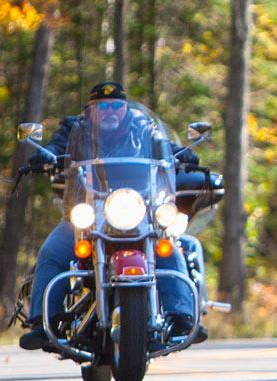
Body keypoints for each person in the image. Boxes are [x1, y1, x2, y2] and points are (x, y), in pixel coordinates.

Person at [18, 80, 199, 351]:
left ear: (125, 108)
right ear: (91, 110)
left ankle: (182, 316)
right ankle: (42, 323)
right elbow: (56, 147)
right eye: (102, 106)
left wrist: (181, 155)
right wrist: (47, 157)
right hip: (89, 211)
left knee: (168, 249)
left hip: (138, 212)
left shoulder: (143, 128)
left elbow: (163, 146)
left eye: (116, 105)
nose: (110, 111)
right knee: (52, 253)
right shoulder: (75, 128)